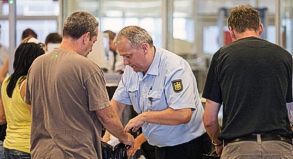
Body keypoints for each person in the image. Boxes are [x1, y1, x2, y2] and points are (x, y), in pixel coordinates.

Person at [24, 11, 134, 159]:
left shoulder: (37, 64)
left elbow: (32, 107)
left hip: (41, 152)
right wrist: (125, 138)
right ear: (86, 37)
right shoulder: (87, 68)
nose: (92, 48)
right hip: (76, 153)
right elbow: (106, 116)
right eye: (93, 42)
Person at [104, 26, 211, 159]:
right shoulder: (131, 70)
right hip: (159, 147)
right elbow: (116, 106)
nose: (125, 62)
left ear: (144, 48)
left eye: (128, 56)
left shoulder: (174, 69)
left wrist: (144, 117)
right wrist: (107, 140)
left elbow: (183, 114)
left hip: (188, 148)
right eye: (122, 57)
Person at [202, 5, 293, 158]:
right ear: (261, 27)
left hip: (238, 149)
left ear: (231, 30)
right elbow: (291, 113)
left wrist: (218, 143)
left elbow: (209, 119)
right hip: (279, 147)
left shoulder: (221, 57)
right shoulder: (284, 56)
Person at [0, 37, 45, 159]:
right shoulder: (28, 83)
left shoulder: (7, 81)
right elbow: (39, 118)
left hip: (9, 145)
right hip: (27, 147)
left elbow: (2, 117)